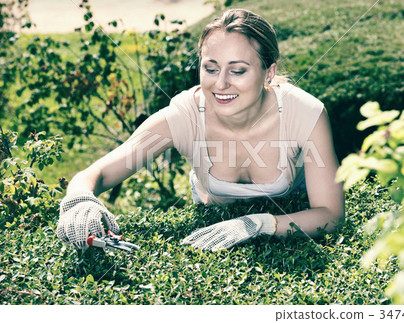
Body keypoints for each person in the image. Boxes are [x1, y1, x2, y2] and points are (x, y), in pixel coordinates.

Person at [57, 9, 345, 251]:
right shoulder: (185, 116)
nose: (220, 84)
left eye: (238, 70)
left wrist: (259, 223)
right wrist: (81, 200)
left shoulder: (304, 113)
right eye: (210, 68)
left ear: (268, 73)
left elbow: (330, 215)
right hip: (210, 223)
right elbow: (98, 173)